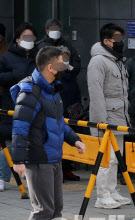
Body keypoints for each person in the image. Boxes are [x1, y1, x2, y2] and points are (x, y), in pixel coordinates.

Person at [10, 46, 85, 220]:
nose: (66, 67)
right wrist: (19, 160)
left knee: (55, 209)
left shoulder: (53, 90)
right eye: (62, 64)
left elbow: (59, 123)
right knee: (43, 209)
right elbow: (19, 128)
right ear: (51, 67)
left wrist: (74, 139)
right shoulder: (30, 92)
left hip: (54, 159)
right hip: (38, 158)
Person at [87, 23, 132, 208]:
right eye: (118, 39)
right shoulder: (98, 61)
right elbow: (96, 93)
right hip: (106, 119)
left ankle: (112, 190)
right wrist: (101, 123)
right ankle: (102, 195)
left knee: (116, 158)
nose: (122, 42)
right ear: (107, 41)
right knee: (106, 158)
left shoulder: (118, 60)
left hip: (119, 117)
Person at [0, 22, 39, 192]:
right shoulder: (6, 57)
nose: (29, 40)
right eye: (25, 37)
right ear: (18, 39)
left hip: (35, 106)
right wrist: (14, 76)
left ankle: (29, 178)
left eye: (31, 37)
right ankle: (2, 178)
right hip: (12, 105)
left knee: (32, 143)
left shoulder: (38, 56)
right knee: (10, 143)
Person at [37, 18, 83, 182]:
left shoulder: (67, 45)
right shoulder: (42, 46)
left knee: (69, 129)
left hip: (70, 91)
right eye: (52, 28)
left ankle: (67, 167)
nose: (55, 30)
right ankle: (54, 169)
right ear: (46, 30)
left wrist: (68, 70)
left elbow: (76, 64)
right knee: (52, 130)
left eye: (58, 27)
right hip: (54, 90)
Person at [55, 45, 83, 181]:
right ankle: (58, 171)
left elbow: (77, 93)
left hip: (70, 113)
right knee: (57, 142)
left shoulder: (71, 75)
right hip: (56, 113)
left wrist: (77, 108)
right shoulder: (52, 75)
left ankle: (67, 169)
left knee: (69, 142)